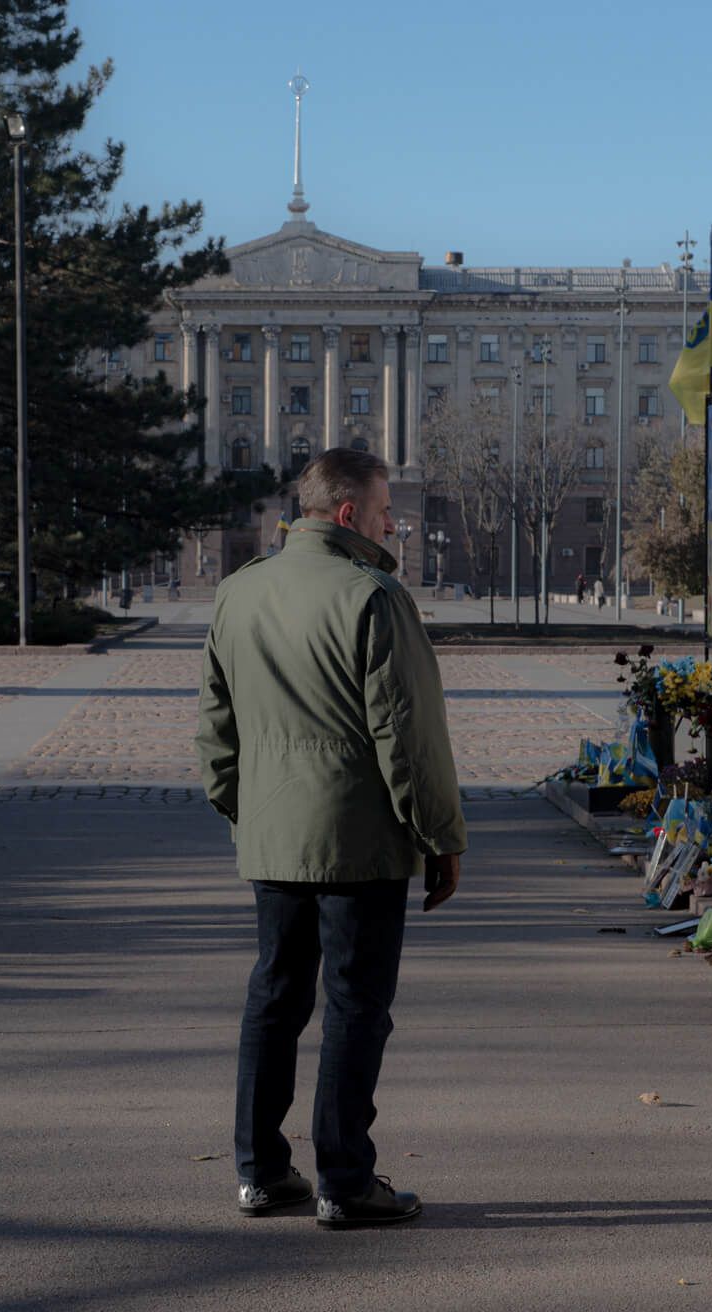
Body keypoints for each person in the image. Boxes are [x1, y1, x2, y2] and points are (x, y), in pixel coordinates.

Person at [197, 448, 466, 1230]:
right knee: (354, 1003)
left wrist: (245, 812)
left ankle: (259, 1170)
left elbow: (215, 728)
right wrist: (440, 836)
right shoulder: (373, 596)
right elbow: (408, 738)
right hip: (360, 840)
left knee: (274, 996)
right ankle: (344, 1179)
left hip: (273, 835)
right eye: (384, 513)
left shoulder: (238, 592)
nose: (392, 527)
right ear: (349, 514)